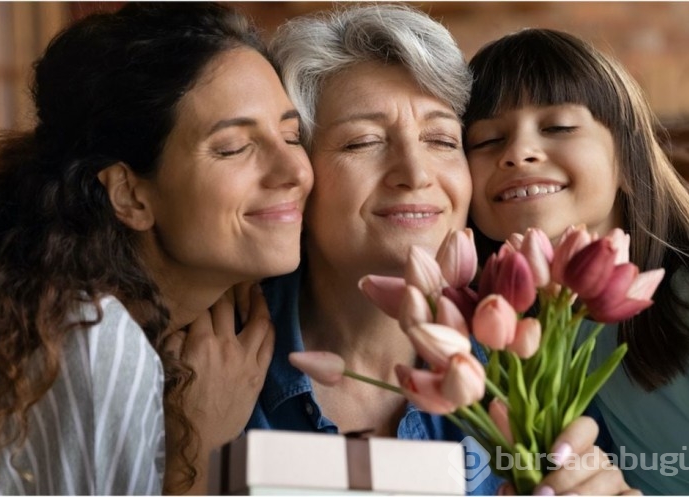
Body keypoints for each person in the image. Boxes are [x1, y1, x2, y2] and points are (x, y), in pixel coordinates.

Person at [246, 5, 635, 495]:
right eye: (363, 142)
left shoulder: (528, 365)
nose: (415, 172)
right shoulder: (212, 363)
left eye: (441, 139)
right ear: (297, 173)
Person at [0, 3, 312, 494]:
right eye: (235, 147)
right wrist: (196, 452)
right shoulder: (92, 337)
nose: (295, 171)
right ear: (130, 195)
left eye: (290, 135)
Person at [464, 27, 689, 494]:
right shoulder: (501, 323)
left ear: (628, 157)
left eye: (559, 127)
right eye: (485, 140)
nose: (518, 154)